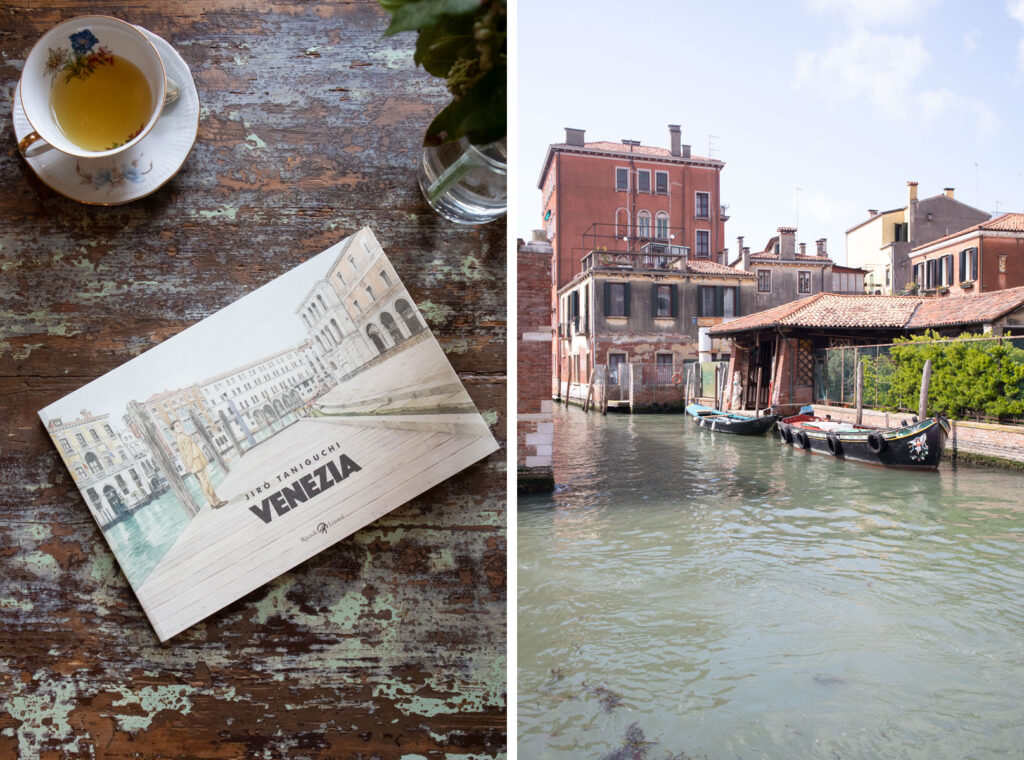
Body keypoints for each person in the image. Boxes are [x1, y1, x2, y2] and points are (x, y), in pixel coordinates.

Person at [169, 420, 227, 508]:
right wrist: (189, 465)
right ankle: (216, 502)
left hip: (193, 464)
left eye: (180, 425)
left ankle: (211, 502)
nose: (180, 427)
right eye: (177, 426)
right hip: (196, 462)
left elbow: (183, 454)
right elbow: (188, 452)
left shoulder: (179, 438)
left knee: (202, 483)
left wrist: (187, 465)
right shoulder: (183, 437)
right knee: (206, 482)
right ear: (174, 430)